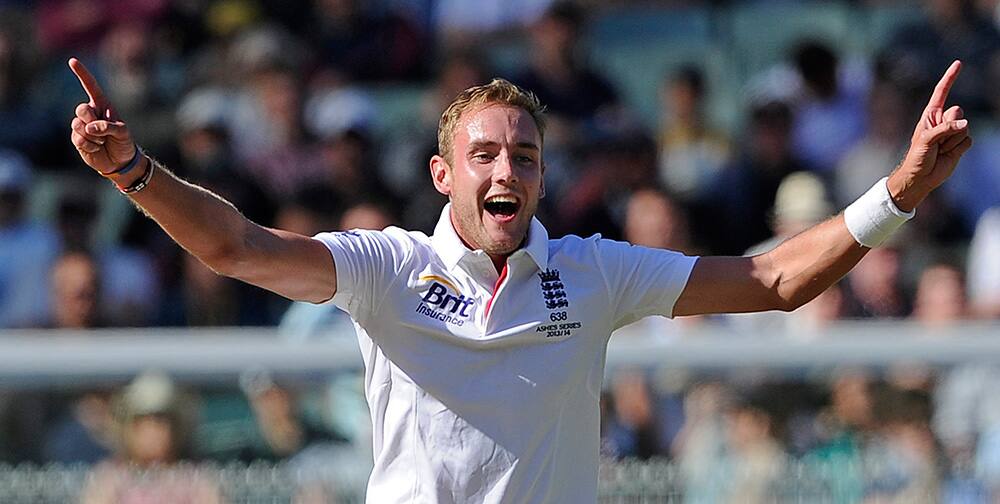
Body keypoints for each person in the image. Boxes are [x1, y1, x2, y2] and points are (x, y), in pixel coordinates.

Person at [67, 54, 971, 502]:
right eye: (485, 154)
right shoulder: (388, 266)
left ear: (541, 176)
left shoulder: (595, 270)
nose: (506, 171)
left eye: (525, 156)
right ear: (442, 175)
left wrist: (901, 191)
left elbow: (774, 282)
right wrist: (132, 171)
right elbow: (234, 247)